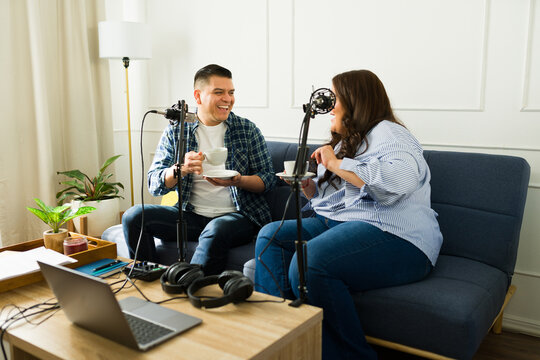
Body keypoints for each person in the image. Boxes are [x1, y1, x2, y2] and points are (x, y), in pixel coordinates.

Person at [254, 70, 443, 359]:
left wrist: (336, 162)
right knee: (271, 236)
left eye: (335, 98)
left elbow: (399, 181)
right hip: (345, 223)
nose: (329, 107)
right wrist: (309, 187)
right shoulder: (348, 142)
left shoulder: (389, 133)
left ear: (356, 101)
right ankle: (284, 339)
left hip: (397, 235)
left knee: (311, 260)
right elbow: (340, 200)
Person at [123, 64, 276, 275]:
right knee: (134, 216)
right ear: (198, 96)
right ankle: (148, 277)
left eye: (231, 93)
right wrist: (181, 169)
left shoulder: (247, 129)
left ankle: (186, 282)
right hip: (191, 216)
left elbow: (267, 180)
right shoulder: (177, 131)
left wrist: (238, 180)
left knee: (216, 229)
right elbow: (154, 184)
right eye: (219, 92)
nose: (228, 99)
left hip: (238, 216)